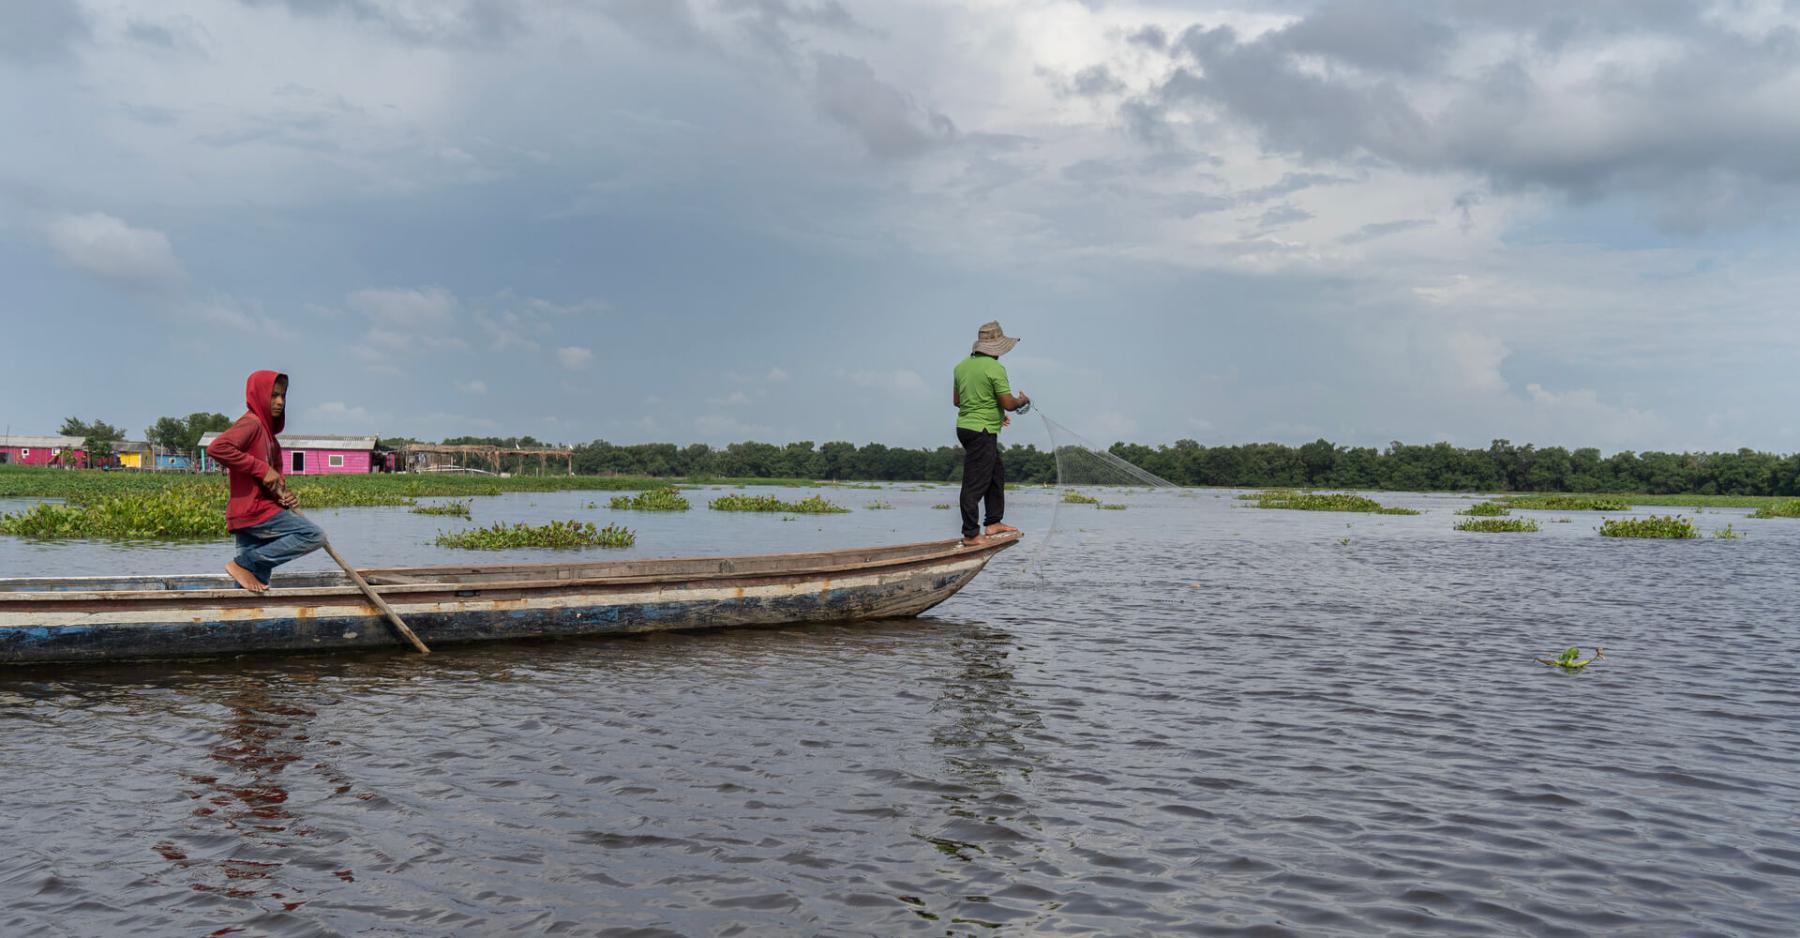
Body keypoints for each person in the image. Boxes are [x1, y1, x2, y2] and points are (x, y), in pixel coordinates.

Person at [206, 371, 325, 592]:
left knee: (252, 586)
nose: (280, 402)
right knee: (313, 535)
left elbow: (271, 479)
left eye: (283, 396)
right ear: (259, 395)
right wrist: (261, 468)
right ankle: (243, 564)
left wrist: (283, 495)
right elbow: (217, 448)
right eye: (273, 395)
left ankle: (240, 618)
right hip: (254, 511)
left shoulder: (270, 438)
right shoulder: (251, 423)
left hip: (254, 511)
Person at [953, 321, 1029, 547]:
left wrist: (995, 414)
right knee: (975, 483)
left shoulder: (961, 366)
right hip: (981, 430)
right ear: (996, 348)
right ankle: (971, 534)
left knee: (996, 473)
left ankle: (994, 521)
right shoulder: (995, 368)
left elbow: (958, 401)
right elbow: (1009, 403)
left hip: (967, 427)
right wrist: (1022, 400)